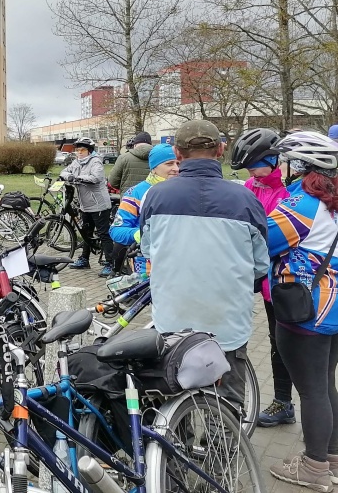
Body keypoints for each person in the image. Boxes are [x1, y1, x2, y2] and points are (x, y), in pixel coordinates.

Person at [139, 119, 268, 410]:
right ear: (221, 150)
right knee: (227, 407)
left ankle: (174, 452)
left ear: (178, 153)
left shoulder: (155, 196)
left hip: (172, 321)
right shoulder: (246, 199)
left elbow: (148, 249)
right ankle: (224, 451)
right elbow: (261, 264)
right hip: (228, 323)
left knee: (171, 397)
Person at [265, 132, 338, 491]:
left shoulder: (302, 204)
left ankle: (314, 467)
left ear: (301, 164)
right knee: (324, 384)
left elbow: (264, 241)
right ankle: (332, 455)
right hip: (334, 307)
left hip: (307, 308)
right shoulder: (333, 200)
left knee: (310, 390)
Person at [230, 128, 294, 428]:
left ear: (273, 160)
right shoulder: (249, 186)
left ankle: (283, 401)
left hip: (276, 281)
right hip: (249, 275)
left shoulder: (287, 195)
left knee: (278, 342)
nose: (251, 172)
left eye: (254, 165)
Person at [108, 143, 178, 275]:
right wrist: (141, 234)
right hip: (146, 268)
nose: (176, 168)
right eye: (169, 164)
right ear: (153, 168)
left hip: (177, 265)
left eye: (178, 163)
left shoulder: (184, 190)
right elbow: (116, 230)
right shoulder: (136, 193)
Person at [60, 137, 114, 277]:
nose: (79, 152)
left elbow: (96, 178)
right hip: (85, 205)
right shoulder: (76, 162)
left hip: (99, 205)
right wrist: (69, 176)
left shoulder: (95, 162)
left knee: (103, 234)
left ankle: (110, 263)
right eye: (77, 150)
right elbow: (64, 172)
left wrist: (77, 178)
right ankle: (84, 259)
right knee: (86, 233)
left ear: (89, 151)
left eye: (82, 150)